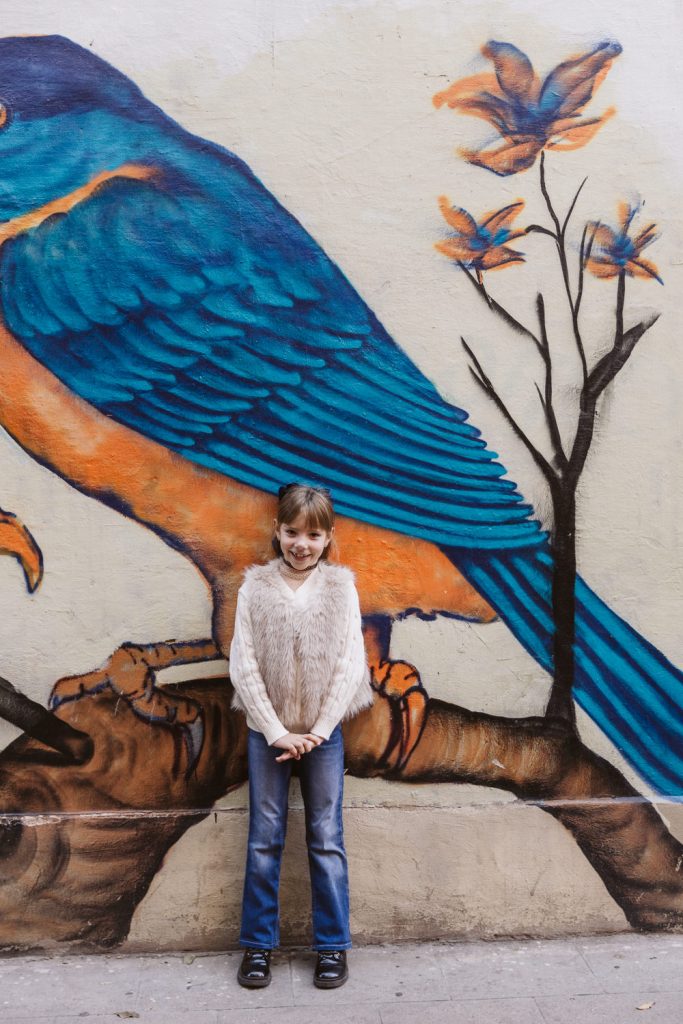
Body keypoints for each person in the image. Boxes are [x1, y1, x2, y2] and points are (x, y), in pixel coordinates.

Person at [228, 482, 374, 989]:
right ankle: (257, 948)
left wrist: (317, 731)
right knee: (264, 839)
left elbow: (350, 664)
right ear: (278, 531)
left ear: (328, 538)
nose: (301, 544)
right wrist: (274, 731)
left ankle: (332, 948)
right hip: (265, 735)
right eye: (292, 532)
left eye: (313, 535)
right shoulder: (255, 589)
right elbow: (243, 666)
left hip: (322, 737)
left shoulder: (341, 589)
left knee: (326, 837)